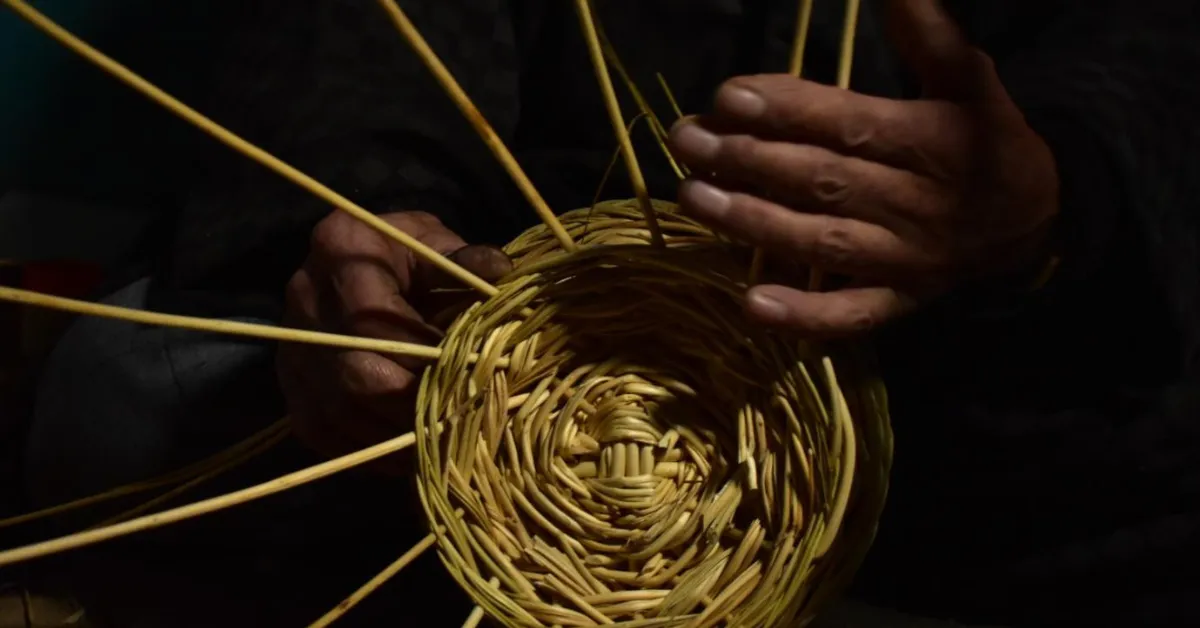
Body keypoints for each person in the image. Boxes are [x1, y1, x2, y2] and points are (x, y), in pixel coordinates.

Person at [16, 0, 1199, 626]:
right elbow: (368, 56)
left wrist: (1054, 201)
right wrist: (384, 237)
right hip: (496, 393)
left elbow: (1148, 73)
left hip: (996, 381)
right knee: (122, 388)